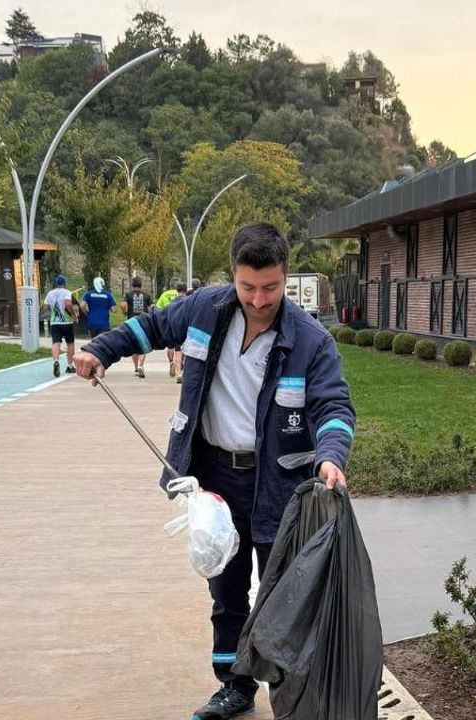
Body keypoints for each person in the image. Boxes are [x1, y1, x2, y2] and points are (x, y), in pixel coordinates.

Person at [74, 223, 355, 720]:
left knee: (283, 591)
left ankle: (293, 694)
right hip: (215, 478)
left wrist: (331, 454)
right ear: (234, 276)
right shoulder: (205, 308)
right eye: (248, 286)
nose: (259, 298)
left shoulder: (311, 341)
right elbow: (150, 327)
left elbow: (333, 406)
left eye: (270, 287)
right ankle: (235, 687)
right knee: (225, 588)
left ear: (284, 278)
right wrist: (100, 349)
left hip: (279, 487)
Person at [43, 275, 77, 377]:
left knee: (56, 342)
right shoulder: (67, 292)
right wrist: (74, 315)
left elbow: (45, 307)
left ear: (56, 283)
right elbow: (68, 303)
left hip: (54, 323)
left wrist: (50, 313)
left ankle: (56, 361)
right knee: (70, 343)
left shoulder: (50, 293)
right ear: (65, 283)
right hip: (66, 322)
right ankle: (70, 366)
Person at [155, 282, 189, 382]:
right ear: (186, 290)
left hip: (173, 328)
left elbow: (161, 310)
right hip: (185, 328)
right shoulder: (188, 300)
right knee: (183, 352)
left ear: (176, 290)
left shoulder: (172, 301)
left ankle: (175, 367)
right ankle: (182, 372)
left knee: (174, 349)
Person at [121, 277, 153, 378]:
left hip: (131, 322)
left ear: (132, 285)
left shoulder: (128, 295)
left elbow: (123, 304)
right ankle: (140, 365)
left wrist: (124, 312)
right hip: (143, 321)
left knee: (134, 345)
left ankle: (136, 367)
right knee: (143, 344)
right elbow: (152, 307)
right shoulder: (147, 295)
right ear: (141, 285)